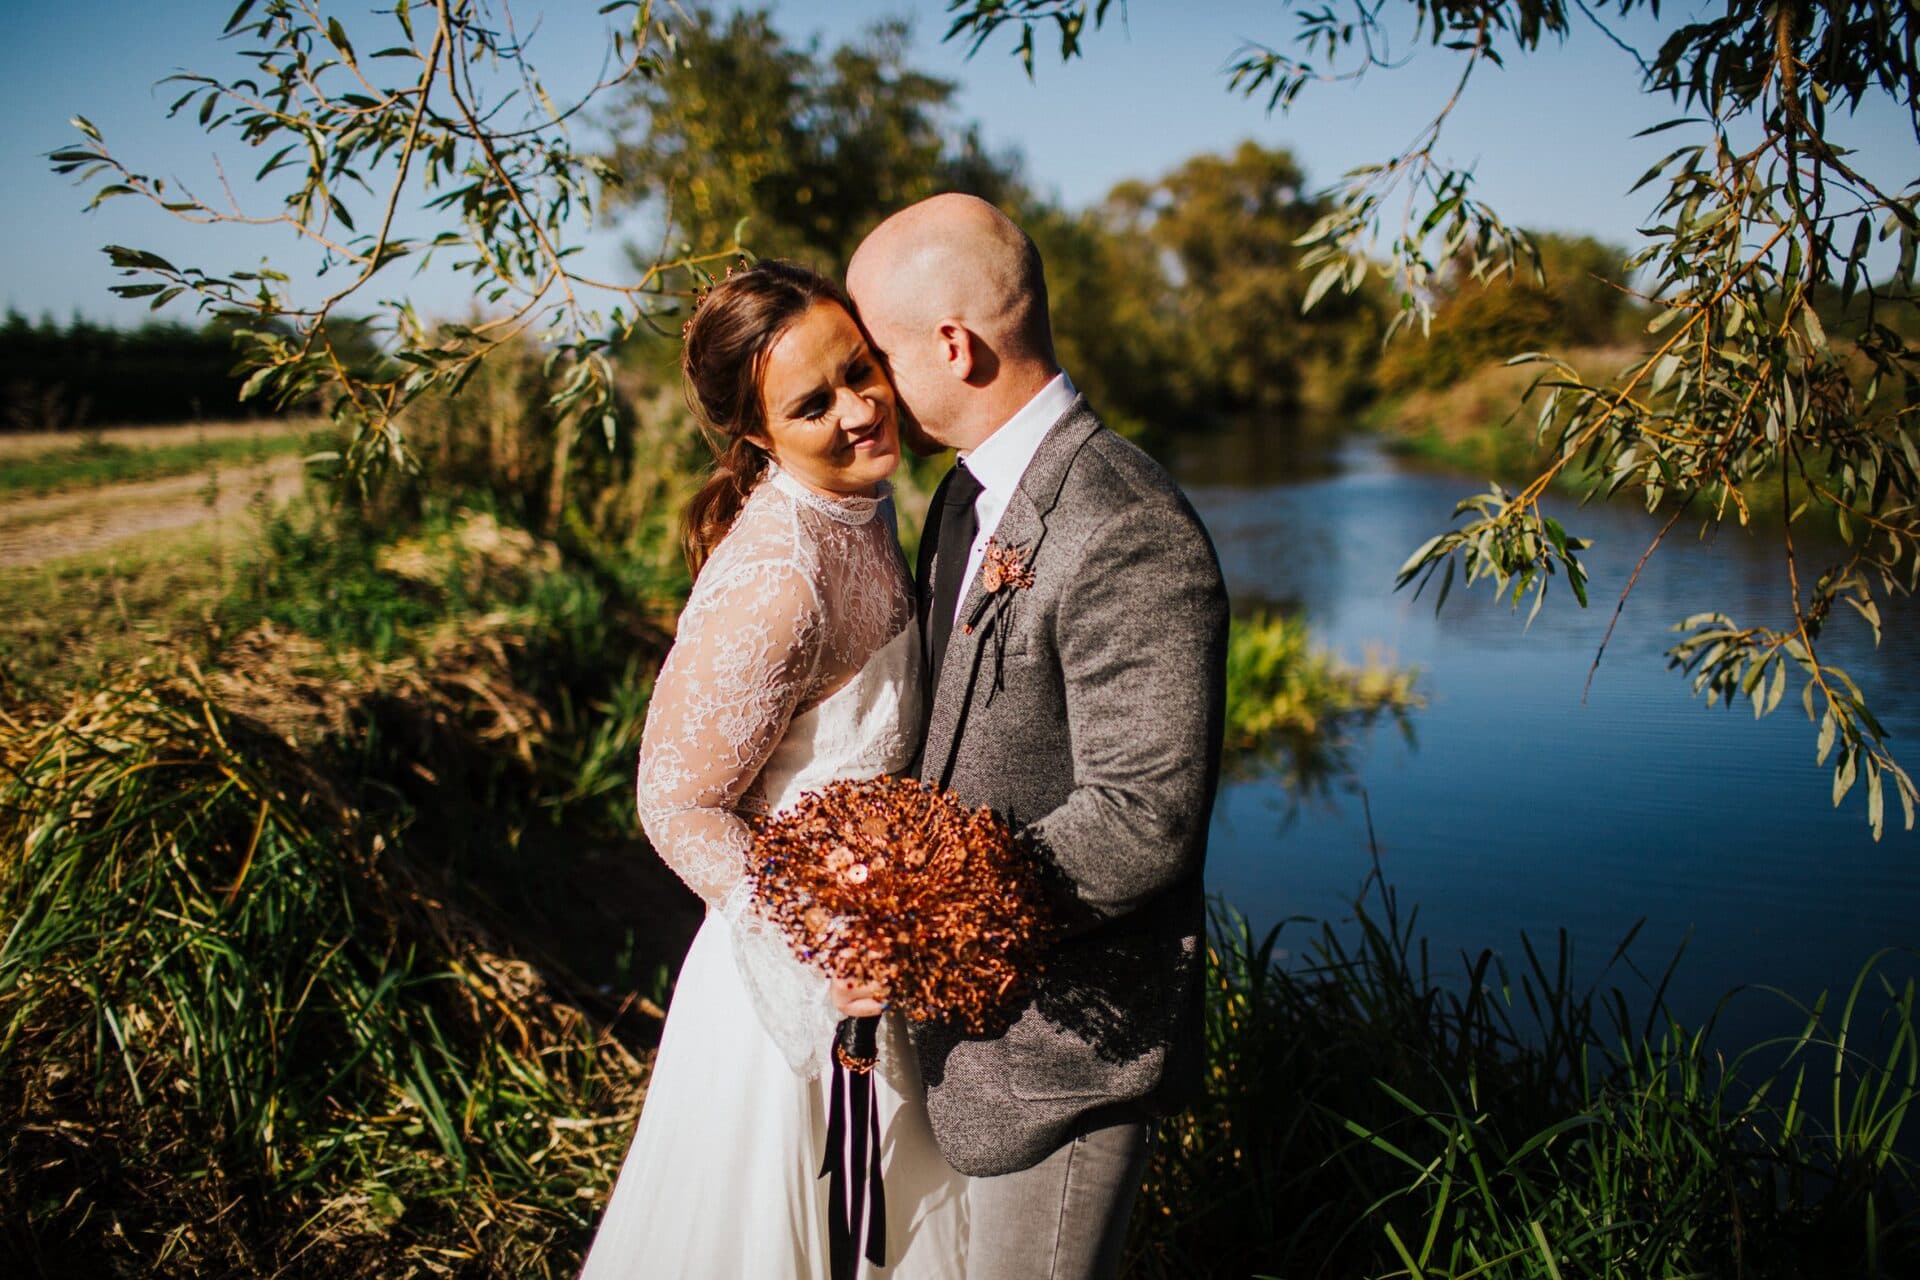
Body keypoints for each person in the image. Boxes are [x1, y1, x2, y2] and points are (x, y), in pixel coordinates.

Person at [839, 194, 1229, 1280]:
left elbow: (1142, 814)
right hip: (956, 1042)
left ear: (952, 345)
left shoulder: (1125, 519)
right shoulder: (959, 499)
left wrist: (910, 927)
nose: (869, 385)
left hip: (1064, 1051)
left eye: (876, 353)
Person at [580, 261, 967, 1279]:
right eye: (812, 403)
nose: (860, 407)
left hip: (885, 959)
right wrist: (824, 929)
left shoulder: (870, 504)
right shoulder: (778, 580)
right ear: (755, 436)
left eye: (860, 367)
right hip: (797, 990)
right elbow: (676, 802)